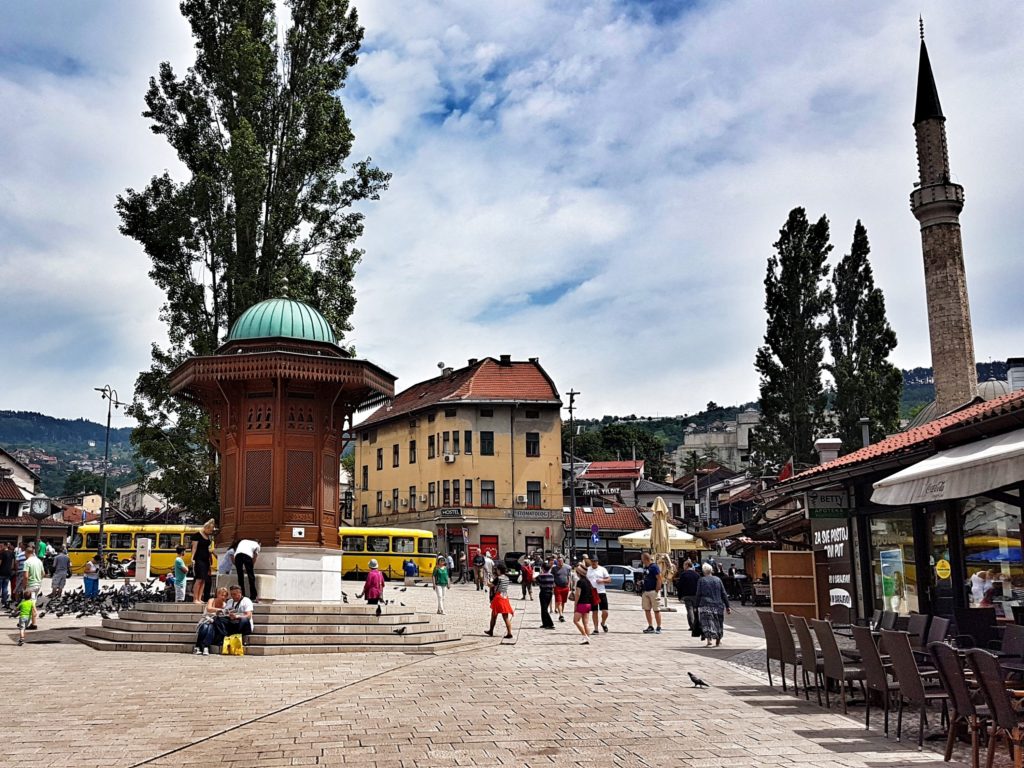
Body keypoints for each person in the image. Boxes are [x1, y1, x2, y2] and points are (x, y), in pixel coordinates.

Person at [695, 562, 731, 647]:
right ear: (711, 570)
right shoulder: (718, 580)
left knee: (707, 622)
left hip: (705, 604)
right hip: (718, 604)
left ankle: (709, 640)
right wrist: (727, 606)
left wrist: (696, 606)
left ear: (704, 571)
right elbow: (723, 593)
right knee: (718, 622)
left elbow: (698, 594)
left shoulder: (701, 580)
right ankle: (718, 639)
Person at [194, 586, 229, 656]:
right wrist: (219, 610)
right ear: (217, 594)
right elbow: (209, 609)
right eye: (221, 595)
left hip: (215, 624)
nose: (223, 597)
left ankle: (202, 647)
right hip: (205, 620)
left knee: (210, 626)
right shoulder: (211, 600)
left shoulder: (225, 605)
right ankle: (202, 647)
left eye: (225, 596)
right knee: (205, 626)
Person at [485, 563, 514, 639]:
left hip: (498, 597)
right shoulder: (507, 578)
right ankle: (509, 632)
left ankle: (491, 630)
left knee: (494, 615)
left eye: (497, 569)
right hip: (505, 597)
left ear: (499, 570)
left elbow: (490, 585)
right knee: (505, 616)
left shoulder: (499, 578)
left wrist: (488, 581)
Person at [189, 519, 216, 604]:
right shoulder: (197, 535)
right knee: (199, 578)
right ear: (206, 528)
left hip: (206, 559)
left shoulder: (207, 536)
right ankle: (195, 598)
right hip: (199, 558)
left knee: (204, 579)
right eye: (210, 530)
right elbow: (194, 547)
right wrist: (192, 558)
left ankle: (200, 598)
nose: (211, 532)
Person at [586, 554, 612, 633]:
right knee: (594, 611)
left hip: (601, 592)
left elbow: (609, 580)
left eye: (595, 561)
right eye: (592, 561)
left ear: (598, 562)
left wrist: (602, 581)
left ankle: (603, 623)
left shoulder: (602, 569)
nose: (594, 563)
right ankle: (596, 628)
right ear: (590, 561)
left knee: (605, 612)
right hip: (592, 593)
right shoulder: (587, 570)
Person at [640, 552, 662, 634]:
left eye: (642, 559)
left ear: (645, 559)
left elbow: (659, 578)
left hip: (653, 590)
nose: (642, 561)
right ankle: (650, 626)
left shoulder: (654, 567)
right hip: (646, 591)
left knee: (656, 609)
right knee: (647, 609)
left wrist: (657, 588)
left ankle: (659, 626)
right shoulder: (646, 568)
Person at [573, 563, 595, 644]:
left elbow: (578, 593)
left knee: (575, 621)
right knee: (585, 623)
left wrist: (575, 604)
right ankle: (587, 638)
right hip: (588, 604)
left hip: (581, 603)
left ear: (579, 573)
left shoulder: (580, 582)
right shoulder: (588, 581)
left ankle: (585, 636)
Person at [676, 560, 700, 631]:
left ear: (687, 565)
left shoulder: (684, 574)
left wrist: (679, 596)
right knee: (695, 610)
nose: (683, 567)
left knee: (689, 610)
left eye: (684, 565)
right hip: (696, 595)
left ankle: (692, 625)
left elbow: (680, 586)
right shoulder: (697, 574)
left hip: (687, 595)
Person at [536, 561, 555, 629]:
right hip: (549, 593)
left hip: (543, 592)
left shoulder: (541, 576)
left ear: (543, 568)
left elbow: (536, 581)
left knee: (544, 609)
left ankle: (550, 623)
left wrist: (537, 574)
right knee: (545, 608)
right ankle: (544, 623)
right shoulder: (551, 575)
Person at [552, 557, 572, 623]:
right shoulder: (554, 568)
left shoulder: (567, 568)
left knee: (563, 602)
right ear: (557, 562)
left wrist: (569, 585)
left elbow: (569, 577)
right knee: (559, 601)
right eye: (559, 561)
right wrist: (554, 584)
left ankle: (561, 614)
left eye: (561, 561)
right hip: (558, 587)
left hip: (565, 587)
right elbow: (552, 577)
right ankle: (561, 615)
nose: (560, 562)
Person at [0, 542, 14, 606]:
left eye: (1, 546)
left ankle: (3, 600)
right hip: (8, 572)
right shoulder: (11, 553)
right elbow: (13, 563)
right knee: (5, 587)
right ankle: (4, 601)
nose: (0, 547)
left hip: (1, 572)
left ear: (5, 546)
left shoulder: (2, 553)